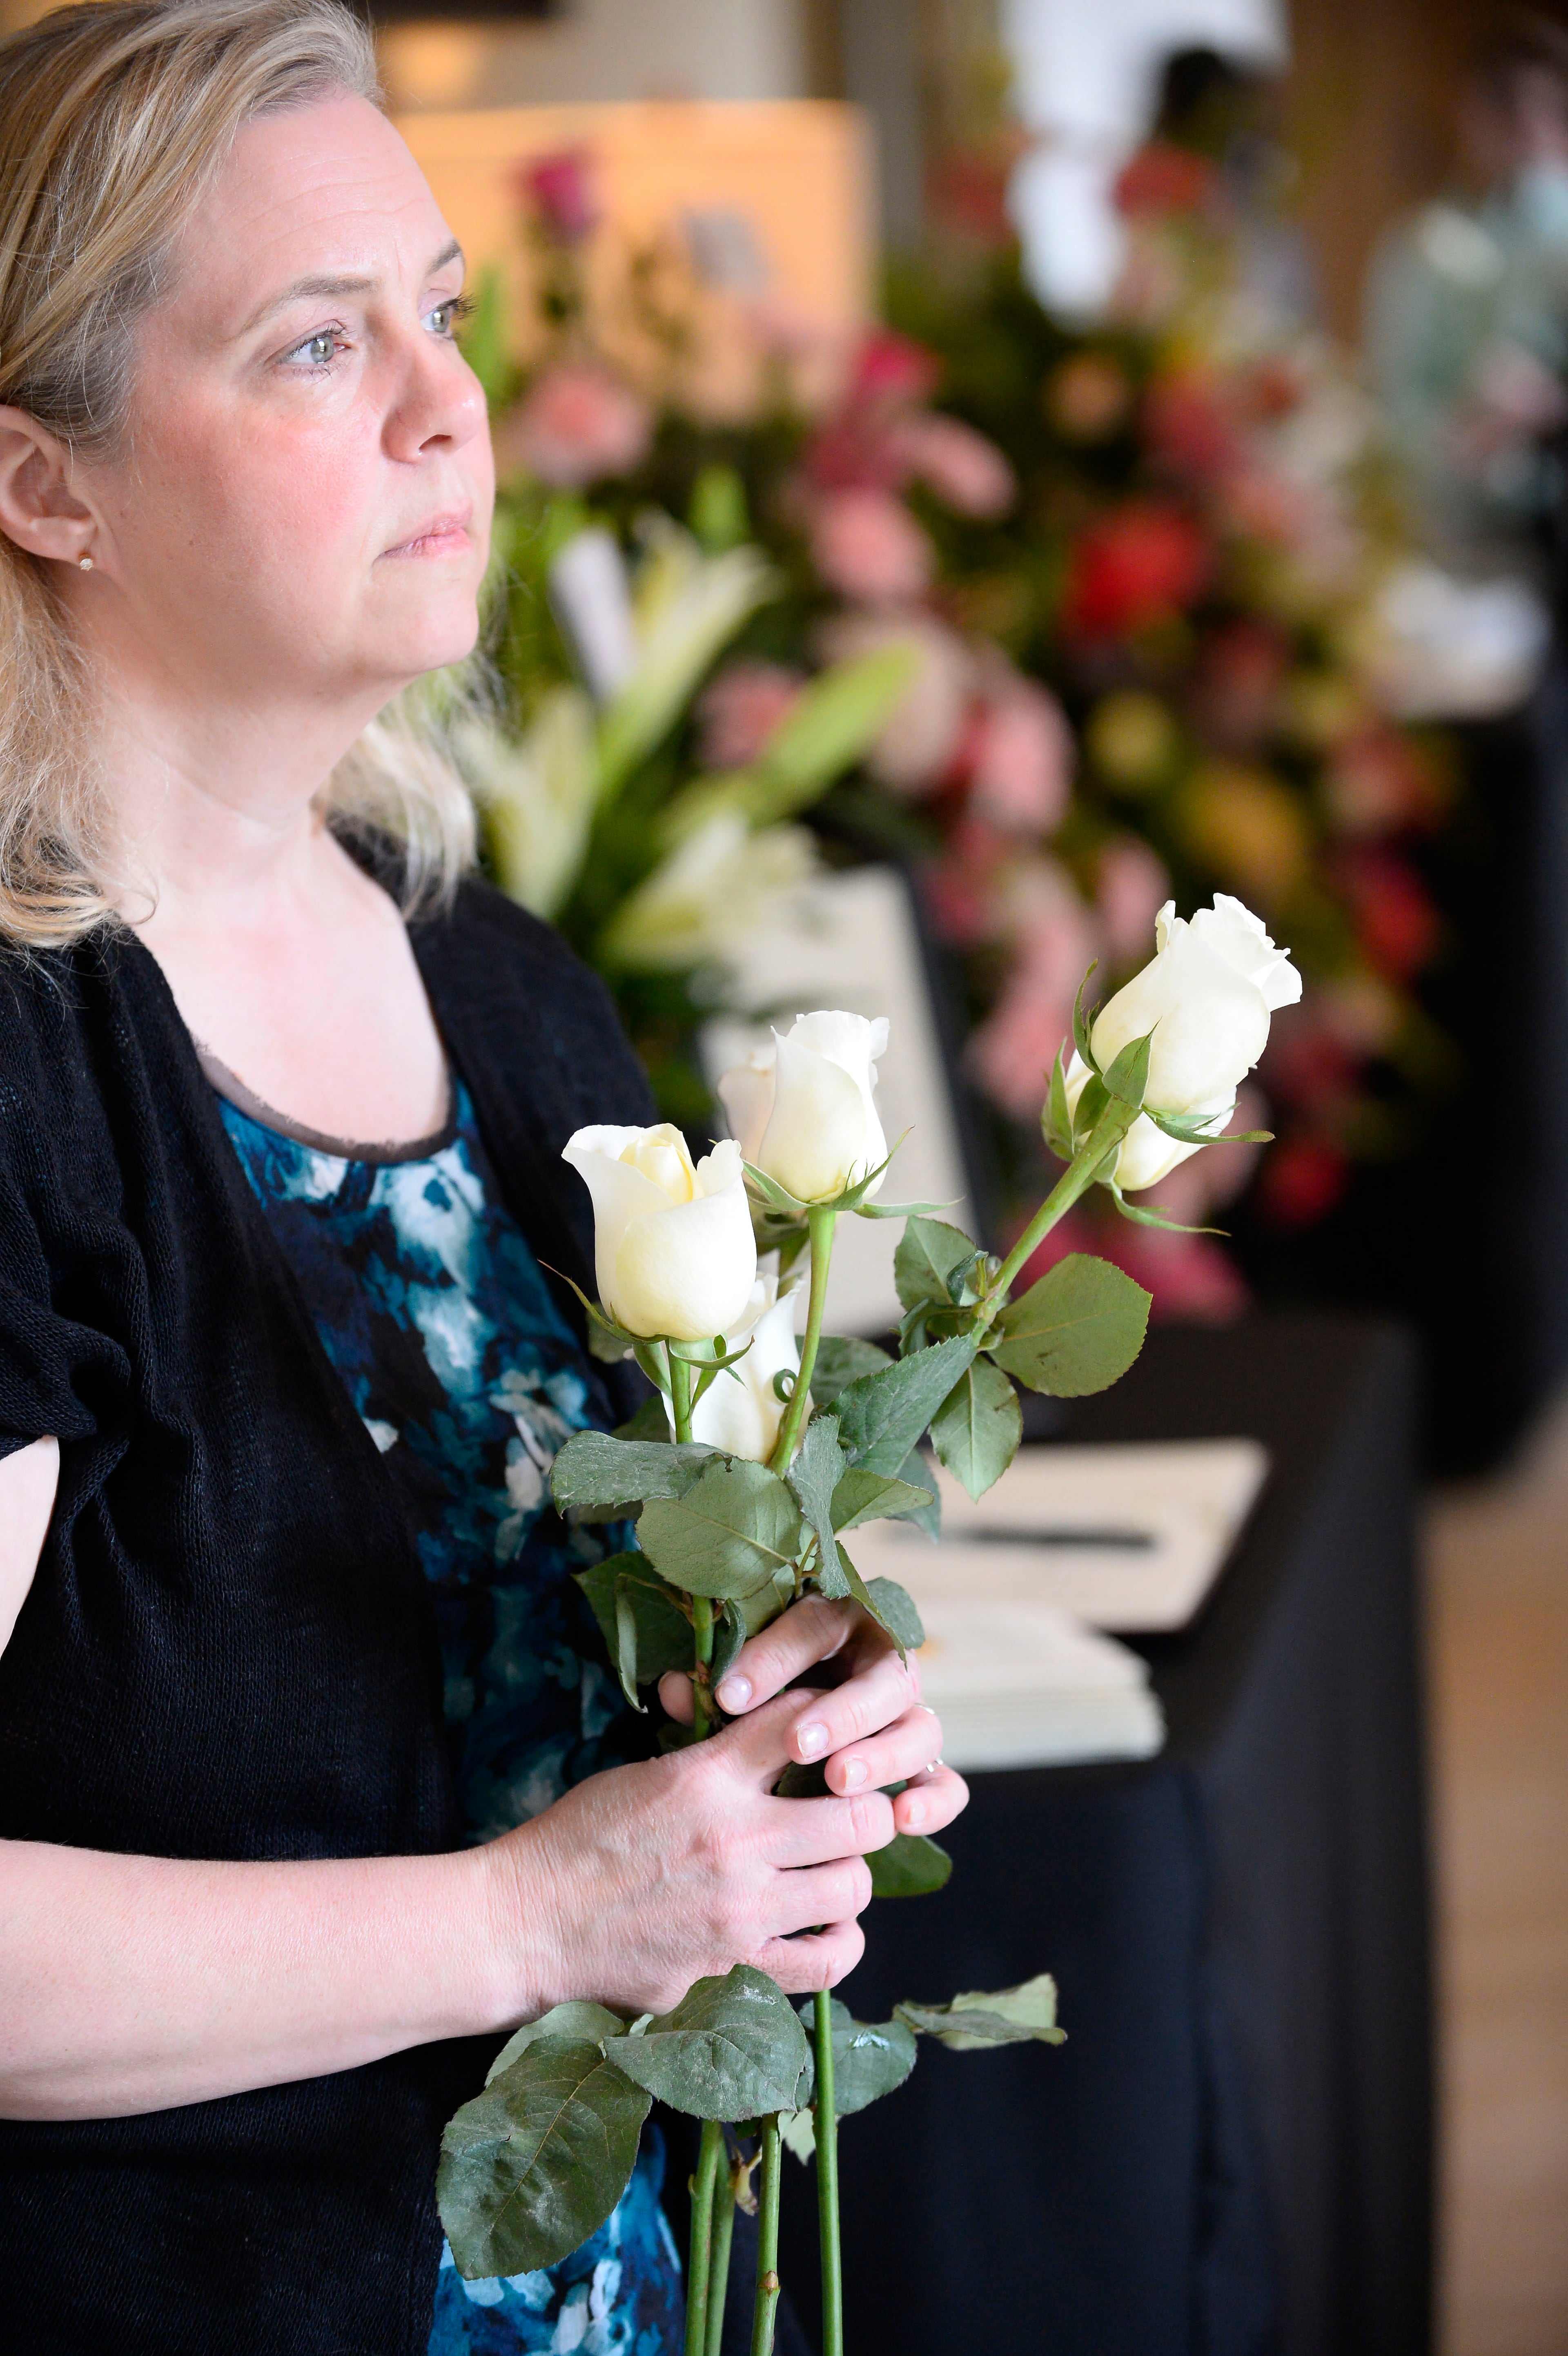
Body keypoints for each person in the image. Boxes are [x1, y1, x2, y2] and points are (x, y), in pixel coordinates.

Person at [0, 6, 966, 2350]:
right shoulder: (27, 1063)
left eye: (443, 314)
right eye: (319, 348)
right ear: (48, 485)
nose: (454, 413)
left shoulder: (507, 989)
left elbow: (592, 1669)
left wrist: (787, 1731)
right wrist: (537, 1918)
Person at [1366, 18, 1568, 579]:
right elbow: (1397, 407)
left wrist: (1549, 406)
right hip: (1472, 539)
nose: (1522, 134)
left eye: (1543, 112)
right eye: (1501, 110)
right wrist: (1465, 438)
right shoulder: (1426, 250)